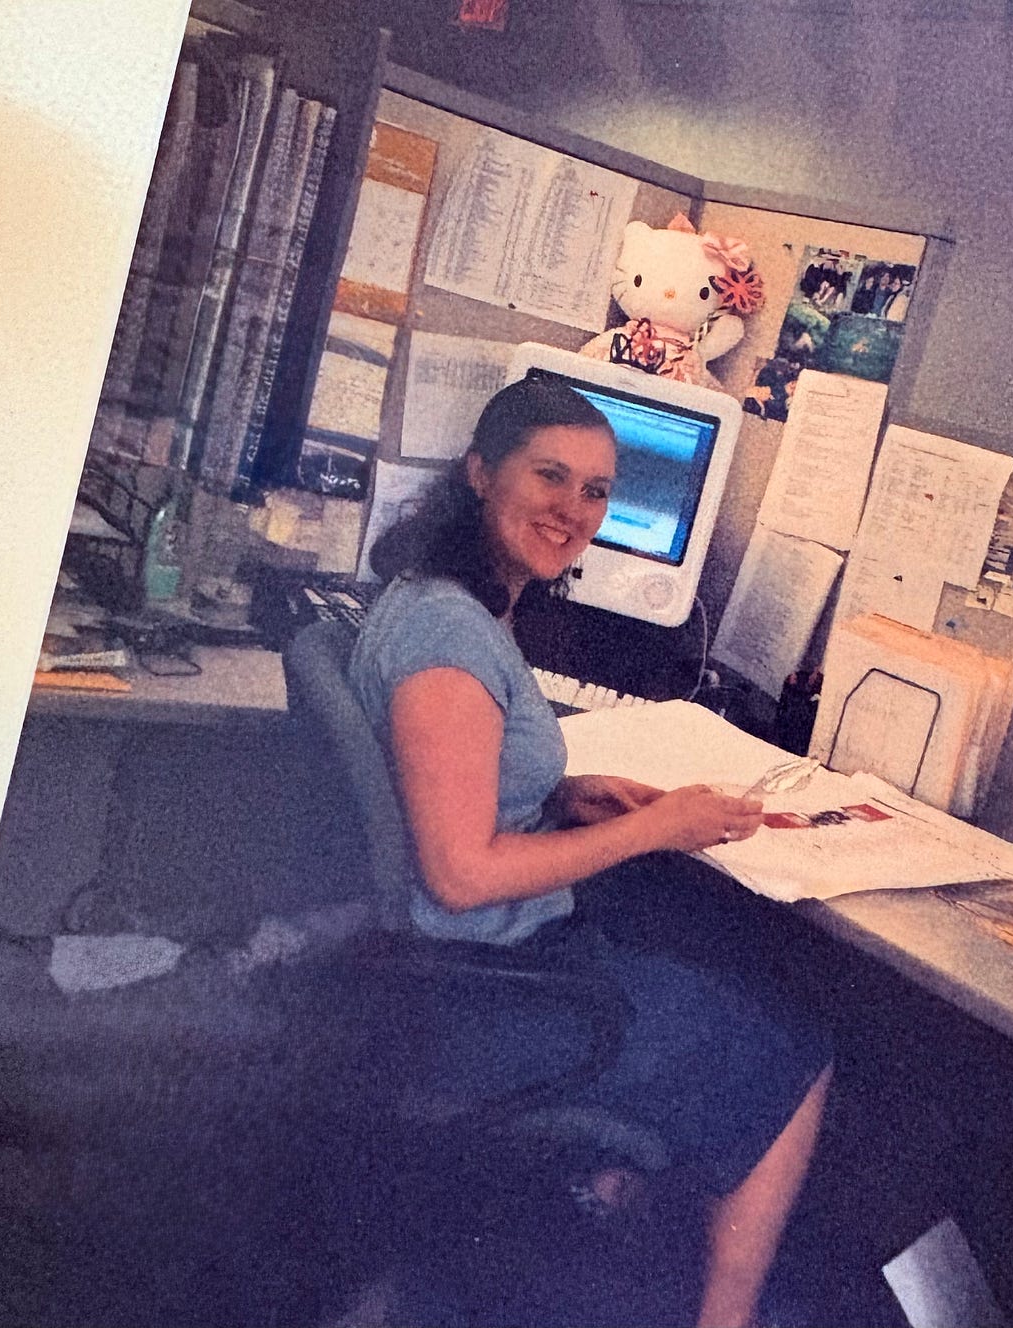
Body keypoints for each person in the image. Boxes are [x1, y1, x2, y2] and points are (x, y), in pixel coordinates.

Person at [349, 376, 832, 1328]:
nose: (574, 510)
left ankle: (598, 1216)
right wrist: (650, 829)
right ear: (481, 472)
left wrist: (560, 795)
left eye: (598, 491)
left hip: (466, 975)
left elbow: (452, 790)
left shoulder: (433, 600)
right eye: (551, 476)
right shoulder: (452, 633)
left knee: (711, 957)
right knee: (794, 1051)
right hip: (489, 995)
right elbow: (459, 874)